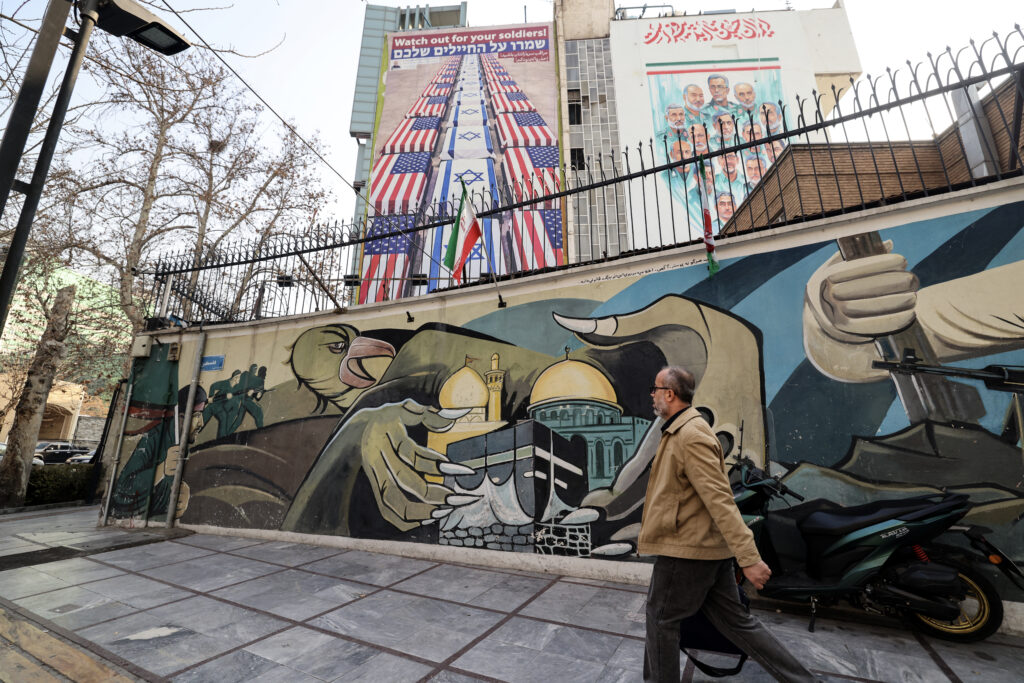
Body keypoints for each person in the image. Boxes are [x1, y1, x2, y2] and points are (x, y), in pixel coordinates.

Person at [640, 366, 818, 682]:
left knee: (661, 619)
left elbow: (720, 500)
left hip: (687, 550)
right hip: (704, 548)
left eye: (655, 389)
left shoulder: (691, 436)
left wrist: (749, 558)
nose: (652, 395)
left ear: (670, 394)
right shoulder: (682, 431)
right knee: (737, 623)